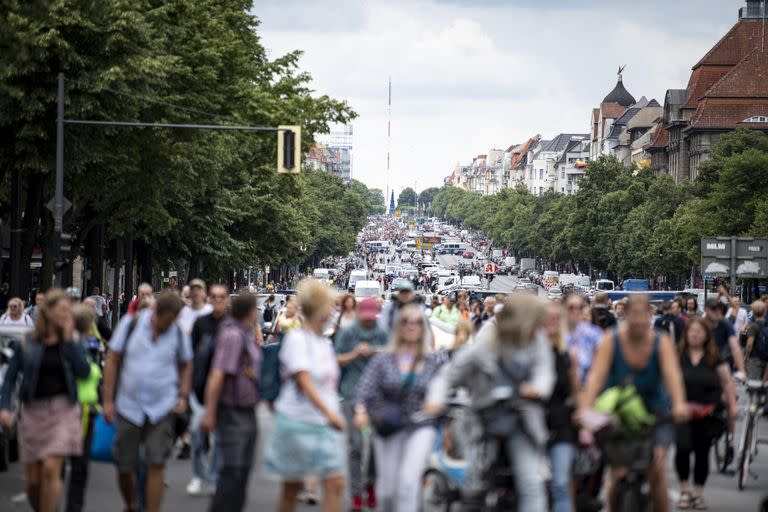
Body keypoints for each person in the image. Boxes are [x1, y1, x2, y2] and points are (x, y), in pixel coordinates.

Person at [426, 294, 554, 512]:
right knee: (475, 482)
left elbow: (545, 373)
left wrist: (538, 389)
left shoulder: (537, 341)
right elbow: (450, 374)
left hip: (521, 420)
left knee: (531, 482)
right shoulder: (486, 341)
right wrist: (435, 399)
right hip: (484, 418)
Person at [579, 295, 688, 512]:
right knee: (617, 475)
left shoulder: (661, 342)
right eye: (633, 315)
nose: (638, 321)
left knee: (656, 473)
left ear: (650, 315)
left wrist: (679, 404)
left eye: (643, 315)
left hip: (657, 413)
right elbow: (596, 376)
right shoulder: (612, 340)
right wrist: (585, 409)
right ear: (625, 314)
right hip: (620, 413)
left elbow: (672, 375)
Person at [0, 289, 91, 512]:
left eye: (67, 311)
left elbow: (84, 372)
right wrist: (4, 408)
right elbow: (10, 378)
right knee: (33, 481)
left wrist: (69, 341)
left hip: (63, 409)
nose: (65, 315)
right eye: (61, 311)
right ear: (48, 312)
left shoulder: (72, 340)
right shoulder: (27, 342)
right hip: (32, 411)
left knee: (51, 469)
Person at [102, 291, 193, 512]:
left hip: (162, 407)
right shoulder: (130, 324)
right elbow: (113, 359)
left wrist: (182, 395)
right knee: (124, 465)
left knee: (156, 462)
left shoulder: (178, 333)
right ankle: (132, 503)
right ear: (156, 313)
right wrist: (107, 400)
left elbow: (186, 364)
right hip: (128, 405)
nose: (170, 325)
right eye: (168, 321)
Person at [263, 279, 346, 512]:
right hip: (297, 421)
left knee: (335, 483)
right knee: (291, 489)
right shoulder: (297, 340)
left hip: (323, 424)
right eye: (329, 306)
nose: (332, 311)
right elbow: (304, 379)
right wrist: (330, 413)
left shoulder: (324, 343)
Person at [354, 304, 445, 512]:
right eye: (406, 322)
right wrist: (360, 412)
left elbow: (443, 389)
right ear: (398, 327)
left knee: (408, 483)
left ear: (423, 328)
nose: (411, 326)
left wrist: (436, 403)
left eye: (417, 322)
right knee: (387, 491)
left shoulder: (433, 360)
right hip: (389, 423)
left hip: (422, 425)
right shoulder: (384, 359)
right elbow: (364, 388)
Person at [200, 293, 261, 512]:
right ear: (250, 311)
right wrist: (209, 412)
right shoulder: (233, 335)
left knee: (243, 470)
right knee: (232, 470)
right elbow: (217, 374)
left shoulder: (244, 334)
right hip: (233, 410)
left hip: (247, 408)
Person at [674, 317, 738, 510]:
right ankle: (684, 490)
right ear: (686, 334)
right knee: (682, 451)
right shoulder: (678, 355)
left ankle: (698, 493)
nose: (694, 335)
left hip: (707, 413)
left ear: (706, 336)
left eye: (699, 332)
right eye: (691, 331)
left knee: (703, 453)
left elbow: (727, 382)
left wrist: (732, 404)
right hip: (682, 412)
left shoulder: (714, 356)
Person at [335, 297, 388, 511]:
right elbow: (337, 358)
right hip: (351, 393)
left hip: (376, 396)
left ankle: (371, 485)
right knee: (355, 445)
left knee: (375, 444)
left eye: (370, 318)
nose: (367, 322)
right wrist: (354, 353)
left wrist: (374, 351)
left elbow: (391, 355)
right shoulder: (348, 332)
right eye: (364, 318)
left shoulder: (382, 332)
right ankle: (356, 493)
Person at [185, 284, 229, 496]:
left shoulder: (231, 325)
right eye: (214, 297)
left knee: (220, 438)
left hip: (224, 391)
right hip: (200, 388)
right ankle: (198, 475)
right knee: (196, 432)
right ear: (209, 299)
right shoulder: (200, 323)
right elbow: (190, 357)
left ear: (227, 299)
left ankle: (214, 478)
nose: (218, 300)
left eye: (222, 297)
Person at [66, 304, 103, 512]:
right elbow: (87, 371)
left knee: (73, 462)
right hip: (81, 409)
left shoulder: (76, 342)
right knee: (80, 464)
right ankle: (74, 506)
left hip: (80, 408)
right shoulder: (79, 344)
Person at [543, 302, 579, 512]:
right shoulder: (529, 350)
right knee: (534, 485)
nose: (552, 322)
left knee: (561, 484)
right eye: (548, 318)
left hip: (561, 423)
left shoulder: (568, 354)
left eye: (557, 318)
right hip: (532, 424)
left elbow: (576, 392)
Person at [565, 294, 603, 385]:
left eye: (580, 308)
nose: (576, 311)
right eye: (571, 308)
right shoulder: (557, 333)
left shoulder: (595, 334)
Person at [703, 298, 746, 377]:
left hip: (722, 363)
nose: (716, 311)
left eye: (718, 309)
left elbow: (735, 348)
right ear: (706, 309)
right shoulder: (701, 324)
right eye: (713, 309)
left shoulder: (725, 324)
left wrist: (741, 370)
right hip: (705, 364)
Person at [744, 300, 768, 381]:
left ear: (753, 312)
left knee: (754, 384)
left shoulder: (754, 326)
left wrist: (746, 356)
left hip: (755, 358)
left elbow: (749, 344)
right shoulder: (766, 324)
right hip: (766, 357)